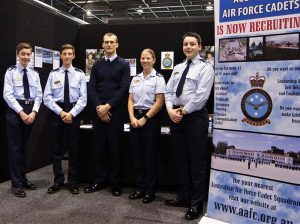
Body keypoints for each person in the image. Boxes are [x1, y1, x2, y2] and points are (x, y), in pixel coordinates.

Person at [164, 32, 214, 220]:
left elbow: (201, 97)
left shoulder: (205, 68)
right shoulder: (177, 67)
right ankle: (183, 197)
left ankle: (196, 204)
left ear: (199, 46)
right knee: (182, 160)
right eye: (185, 44)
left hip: (194, 119)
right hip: (176, 117)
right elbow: (168, 91)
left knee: (197, 163)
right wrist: (170, 110)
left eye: (192, 44)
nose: (188, 47)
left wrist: (182, 112)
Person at [85, 32, 131, 196]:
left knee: (115, 149)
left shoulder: (124, 65)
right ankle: (99, 180)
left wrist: (108, 106)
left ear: (117, 44)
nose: (109, 45)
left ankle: (115, 183)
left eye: (112, 42)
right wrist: (99, 107)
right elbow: (91, 87)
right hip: (98, 113)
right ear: (102, 45)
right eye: (106, 42)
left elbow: (123, 89)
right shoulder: (97, 64)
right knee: (99, 148)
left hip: (116, 113)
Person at [43, 44, 87, 194]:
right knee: (56, 150)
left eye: (70, 54)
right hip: (57, 114)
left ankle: (73, 181)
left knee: (74, 150)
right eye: (64, 54)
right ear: (60, 56)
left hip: (74, 114)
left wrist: (71, 114)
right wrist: (62, 113)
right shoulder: (53, 74)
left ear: (74, 56)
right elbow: (47, 98)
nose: (67, 56)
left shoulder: (80, 74)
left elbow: (83, 99)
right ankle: (58, 181)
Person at [3, 42, 43, 197]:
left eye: (28, 54)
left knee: (25, 148)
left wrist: (34, 112)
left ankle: (23, 178)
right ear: (17, 55)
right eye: (23, 54)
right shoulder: (11, 72)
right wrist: (21, 112)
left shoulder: (34, 74)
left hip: (30, 110)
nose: (26, 57)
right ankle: (16, 184)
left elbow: (39, 95)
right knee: (15, 149)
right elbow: (7, 94)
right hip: (15, 111)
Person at [128, 49, 165, 203]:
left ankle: (150, 190)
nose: (144, 60)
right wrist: (131, 117)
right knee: (137, 156)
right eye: (142, 58)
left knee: (149, 156)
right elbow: (130, 99)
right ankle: (140, 188)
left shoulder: (158, 78)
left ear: (154, 60)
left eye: (148, 58)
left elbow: (160, 102)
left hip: (150, 119)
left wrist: (145, 118)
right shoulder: (135, 78)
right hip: (135, 118)